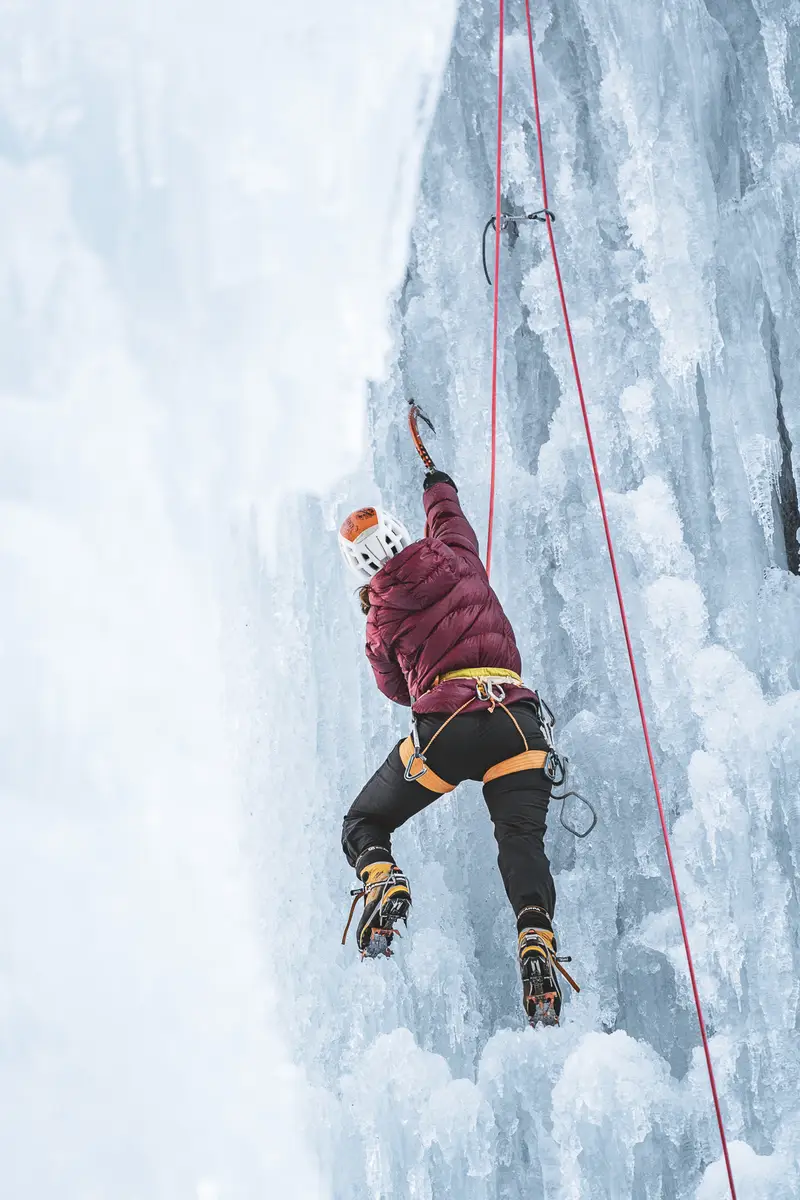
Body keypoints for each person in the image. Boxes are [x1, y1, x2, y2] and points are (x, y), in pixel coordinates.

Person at [338, 469, 574, 1027]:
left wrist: (377, 611)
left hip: (447, 729)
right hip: (517, 722)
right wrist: (434, 480)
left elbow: (398, 689)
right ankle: (535, 933)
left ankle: (382, 878)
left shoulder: (379, 618)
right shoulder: (456, 554)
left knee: (364, 820)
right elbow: (447, 511)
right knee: (521, 840)